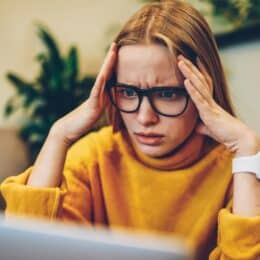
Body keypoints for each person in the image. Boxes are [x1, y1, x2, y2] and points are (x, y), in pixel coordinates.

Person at [1, 0, 260, 259]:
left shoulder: (238, 169)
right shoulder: (93, 157)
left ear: (204, 90)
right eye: (127, 92)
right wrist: (59, 134)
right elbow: (31, 253)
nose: (145, 117)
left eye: (167, 94)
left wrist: (247, 148)